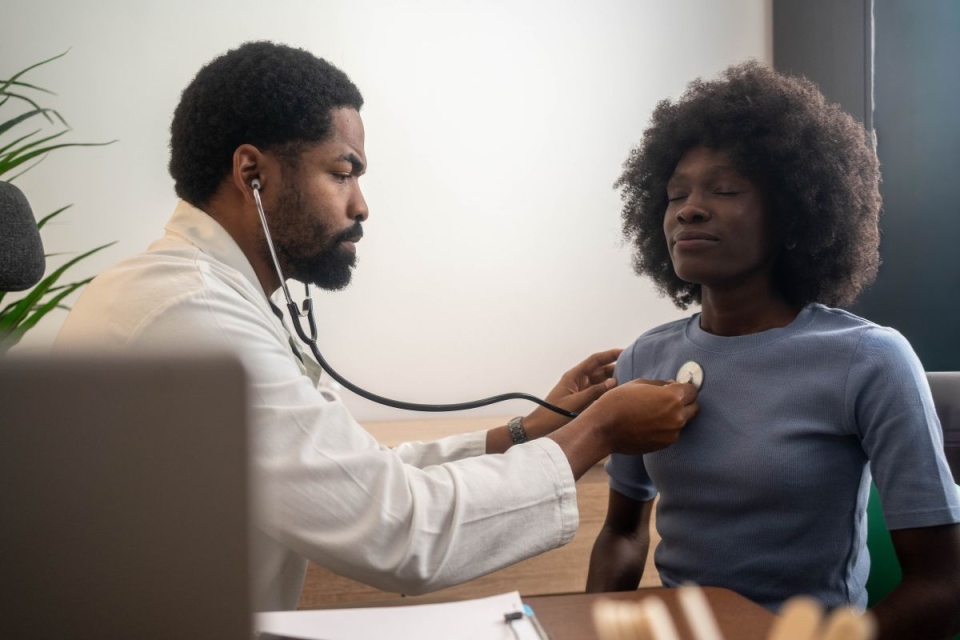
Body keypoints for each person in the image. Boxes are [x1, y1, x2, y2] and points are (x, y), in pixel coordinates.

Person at [54, 41, 700, 612]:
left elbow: (357, 476)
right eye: (342, 173)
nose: (361, 205)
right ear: (252, 174)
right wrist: (600, 430)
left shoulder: (195, 298)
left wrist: (530, 429)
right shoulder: (189, 321)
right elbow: (397, 531)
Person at [585, 61, 960, 639]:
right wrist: (594, 625)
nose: (689, 208)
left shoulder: (869, 360)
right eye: (675, 194)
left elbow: (943, 585)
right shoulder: (644, 359)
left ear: (794, 211)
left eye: (725, 189)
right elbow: (625, 533)